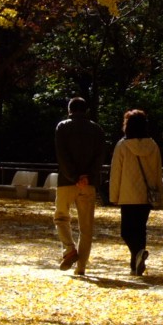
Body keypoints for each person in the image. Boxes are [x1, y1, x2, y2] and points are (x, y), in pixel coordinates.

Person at [54, 97, 107, 276]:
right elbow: (99, 157)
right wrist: (87, 176)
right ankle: (81, 266)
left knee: (61, 217)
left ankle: (69, 249)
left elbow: (62, 155)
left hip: (66, 182)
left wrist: (74, 176)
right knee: (86, 227)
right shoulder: (97, 129)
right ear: (86, 110)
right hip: (88, 183)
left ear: (70, 109)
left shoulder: (62, 127)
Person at [108, 109, 162, 276]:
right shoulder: (153, 145)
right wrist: (159, 193)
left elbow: (116, 172)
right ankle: (136, 265)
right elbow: (158, 171)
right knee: (140, 229)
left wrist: (113, 195)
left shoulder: (122, 145)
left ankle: (138, 254)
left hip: (128, 194)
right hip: (147, 195)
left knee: (126, 231)